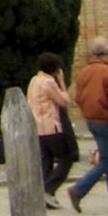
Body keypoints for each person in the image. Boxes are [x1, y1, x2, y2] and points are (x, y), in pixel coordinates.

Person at [68, 36, 108, 214]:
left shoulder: (84, 72)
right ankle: (79, 189)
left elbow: (78, 97)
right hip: (106, 120)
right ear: (107, 54)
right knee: (106, 160)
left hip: (91, 120)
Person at [25, 52, 80, 206]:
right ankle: (48, 190)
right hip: (51, 128)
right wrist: (62, 82)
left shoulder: (34, 81)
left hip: (38, 129)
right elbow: (64, 101)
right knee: (66, 159)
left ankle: (46, 198)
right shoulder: (48, 83)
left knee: (46, 163)